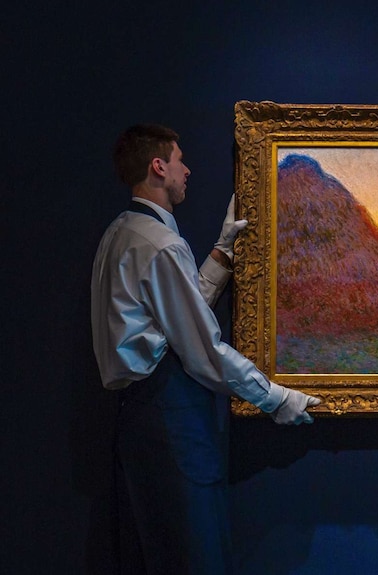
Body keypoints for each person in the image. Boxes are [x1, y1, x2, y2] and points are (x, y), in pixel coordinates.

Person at [91, 124, 321, 574]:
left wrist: (221, 250)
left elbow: (171, 318)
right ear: (159, 167)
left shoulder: (121, 233)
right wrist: (276, 398)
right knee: (196, 555)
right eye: (179, 160)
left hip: (138, 421)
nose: (187, 170)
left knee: (158, 552)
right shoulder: (160, 244)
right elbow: (202, 351)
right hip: (170, 423)